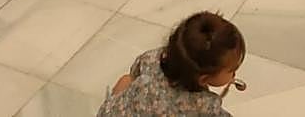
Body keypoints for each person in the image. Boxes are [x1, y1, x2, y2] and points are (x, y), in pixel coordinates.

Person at [98, 12, 246, 117]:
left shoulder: (152, 58)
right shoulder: (205, 105)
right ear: (203, 79)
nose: (234, 74)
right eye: (232, 70)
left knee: (126, 80)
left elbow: (133, 74)